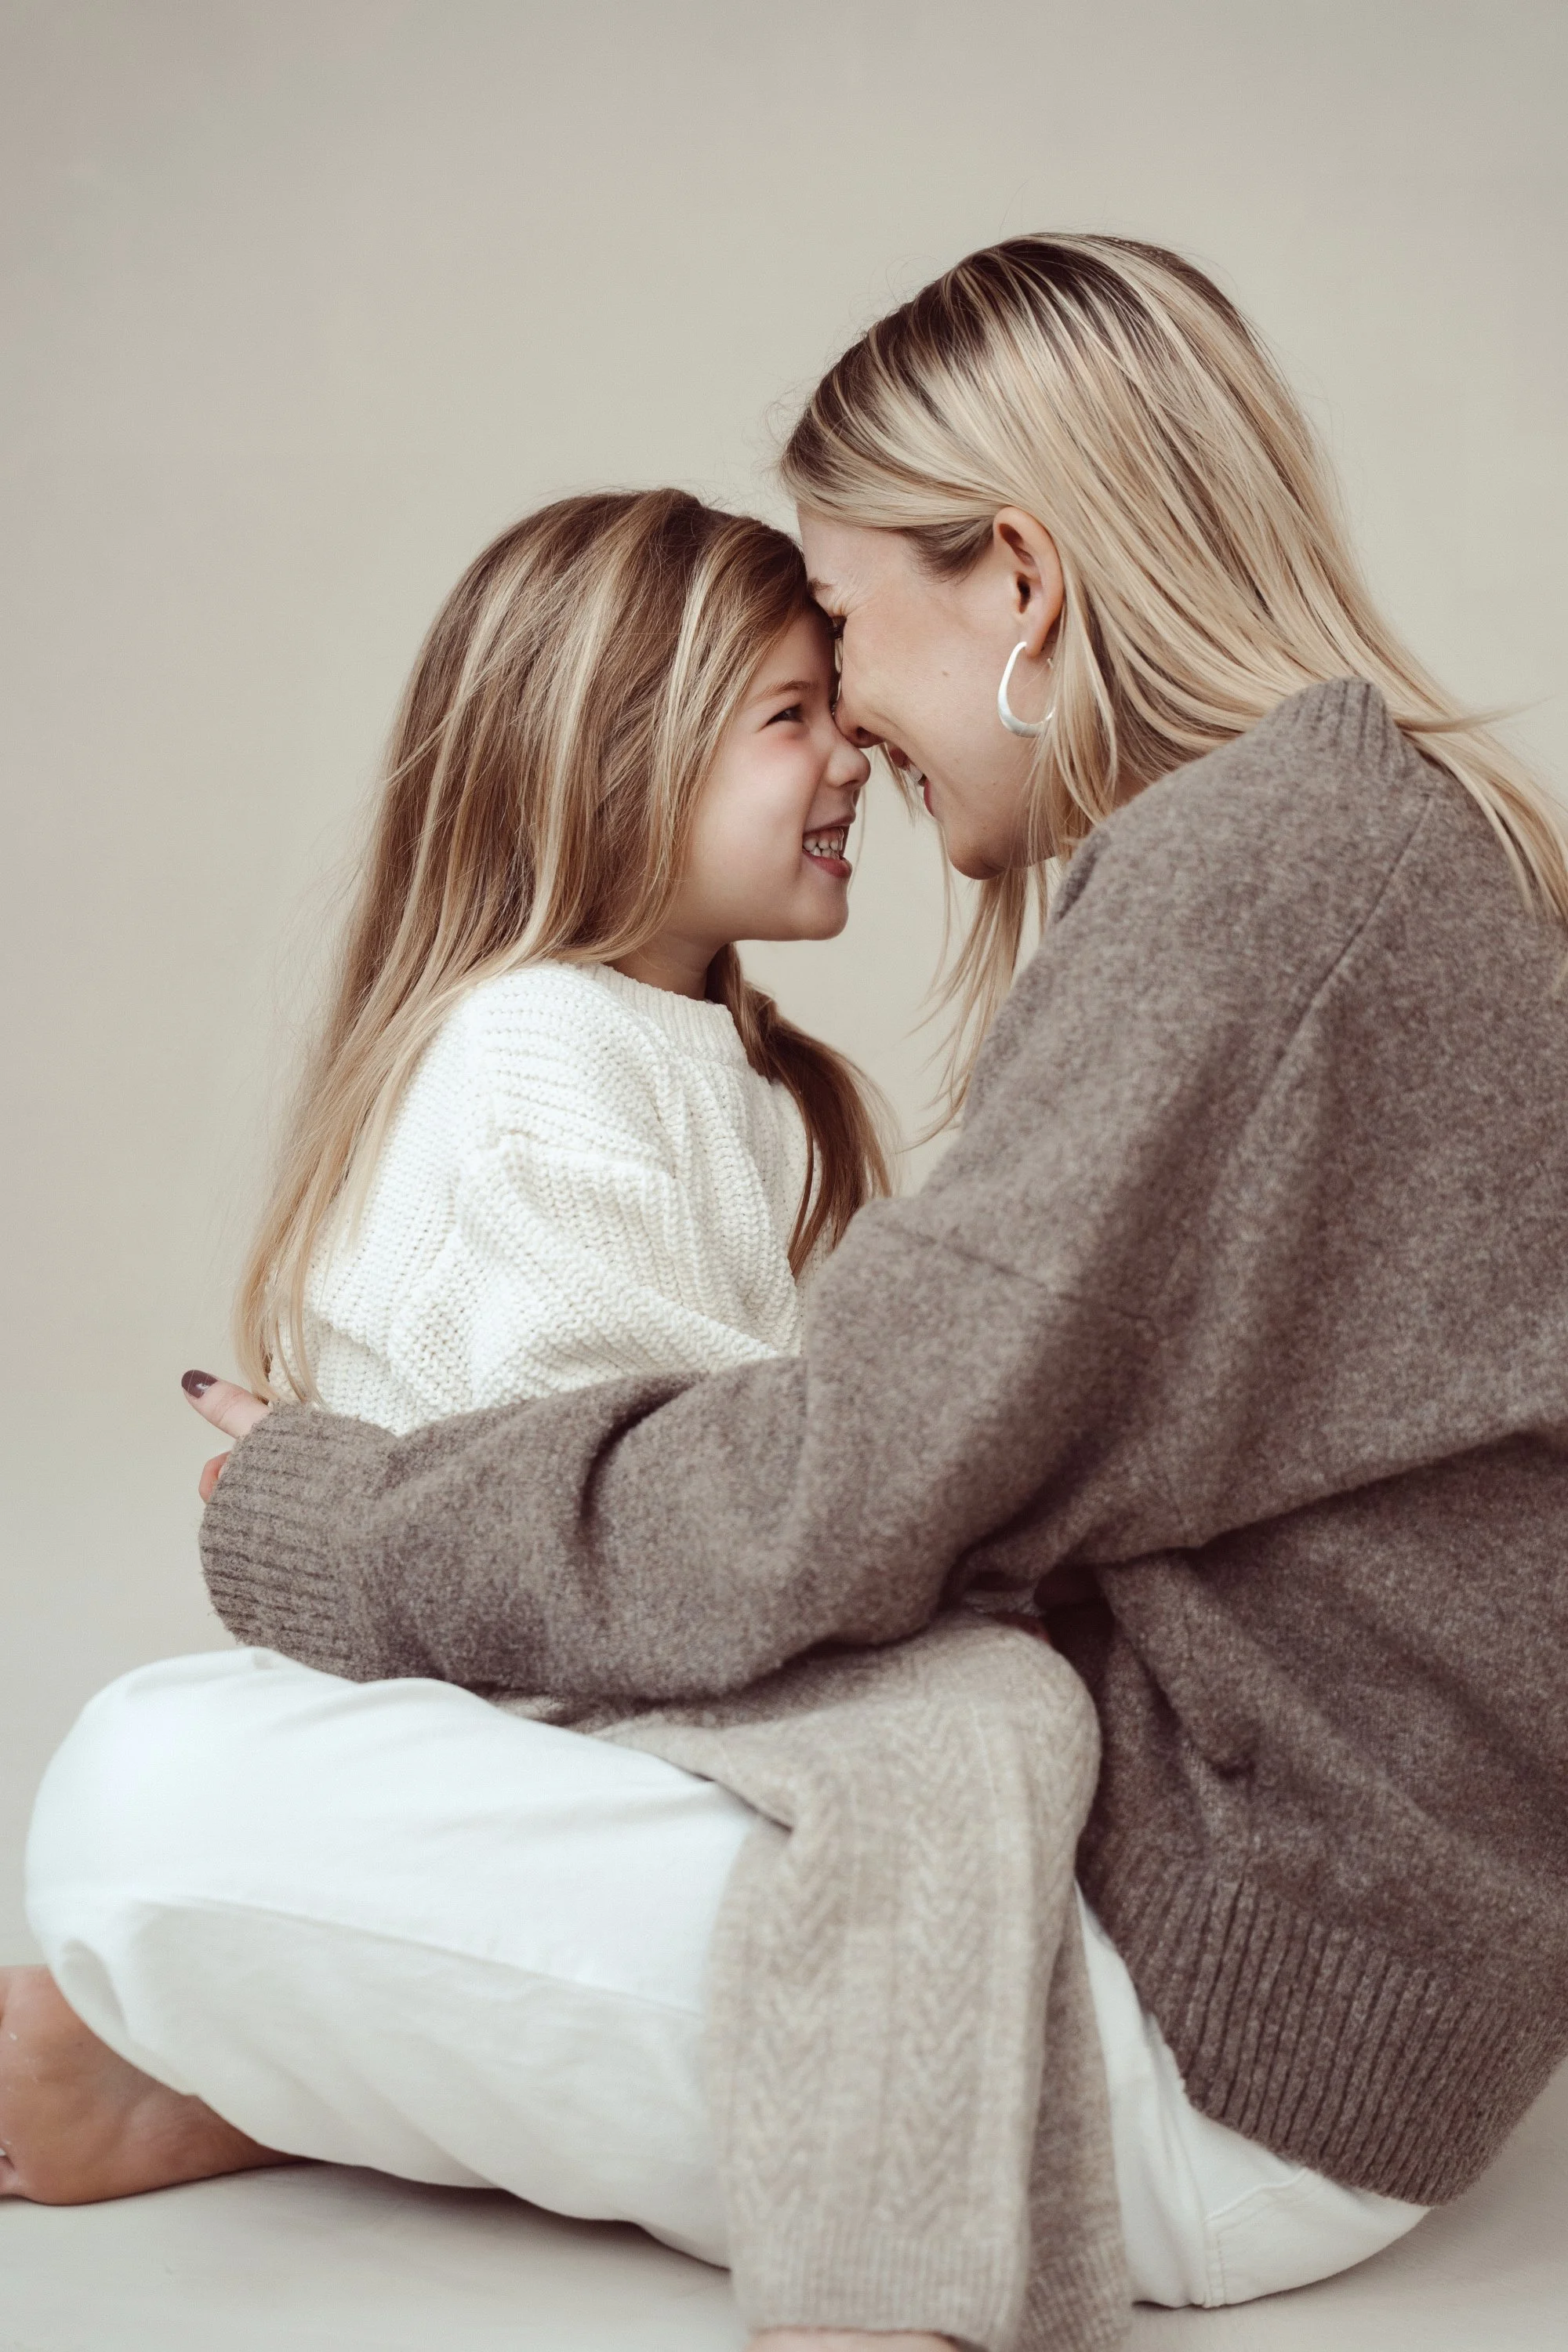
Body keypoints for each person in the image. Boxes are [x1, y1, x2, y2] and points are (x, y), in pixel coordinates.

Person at [9, 234, 1568, 2350]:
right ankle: (317, 2082)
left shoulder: (1251, 884)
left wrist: (338, 1513)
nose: (857, 726)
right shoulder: (1360, 847)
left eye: (843, 622)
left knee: (143, 1803)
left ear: (1017, 581)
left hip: (1222, 2040)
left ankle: (267, 2066)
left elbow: (824, 1494)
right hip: (1343, 1977)